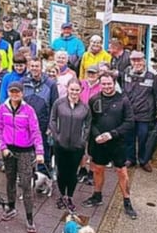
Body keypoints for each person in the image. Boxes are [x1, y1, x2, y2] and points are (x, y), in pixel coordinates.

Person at [82, 72, 137, 219]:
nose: (106, 86)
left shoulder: (123, 100)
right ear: (100, 84)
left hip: (117, 143)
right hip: (98, 143)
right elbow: (90, 121)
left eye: (109, 84)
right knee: (98, 169)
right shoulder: (94, 99)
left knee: (122, 172)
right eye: (104, 84)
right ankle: (97, 195)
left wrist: (112, 134)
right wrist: (96, 135)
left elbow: (130, 122)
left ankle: (127, 201)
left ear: (114, 83)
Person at [0, 82, 44, 233]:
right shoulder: (2, 108)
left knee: (25, 184)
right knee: (10, 180)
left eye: (17, 92)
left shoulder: (28, 110)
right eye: (12, 92)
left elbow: (35, 131)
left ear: (22, 93)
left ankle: (29, 217)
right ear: (8, 93)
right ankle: (11, 208)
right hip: (9, 151)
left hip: (25, 151)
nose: (14, 95)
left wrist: (39, 151)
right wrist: (2, 147)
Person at [49, 78, 91, 212]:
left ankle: (70, 196)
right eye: (72, 89)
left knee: (72, 173)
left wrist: (82, 141)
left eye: (77, 90)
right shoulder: (59, 103)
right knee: (61, 171)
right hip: (60, 145)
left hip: (76, 147)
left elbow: (87, 126)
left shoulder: (85, 107)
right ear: (67, 89)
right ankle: (62, 195)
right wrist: (57, 136)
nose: (74, 92)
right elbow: (53, 120)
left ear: (81, 91)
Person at [122, 51, 157, 172]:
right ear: (130, 61)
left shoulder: (152, 74)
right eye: (134, 60)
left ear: (144, 60)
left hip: (145, 114)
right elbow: (123, 91)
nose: (137, 63)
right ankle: (130, 159)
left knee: (144, 139)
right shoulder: (126, 72)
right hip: (129, 114)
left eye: (139, 60)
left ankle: (144, 160)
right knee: (129, 138)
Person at [22, 59, 59, 175]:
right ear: (28, 66)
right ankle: (28, 175)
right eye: (32, 66)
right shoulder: (22, 82)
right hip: (26, 124)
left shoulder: (50, 84)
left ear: (41, 67)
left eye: (37, 66)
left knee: (43, 151)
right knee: (26, 151)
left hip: (43, 124)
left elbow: (55, 106)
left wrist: (51, 126)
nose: (34, 68)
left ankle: (44, 177)